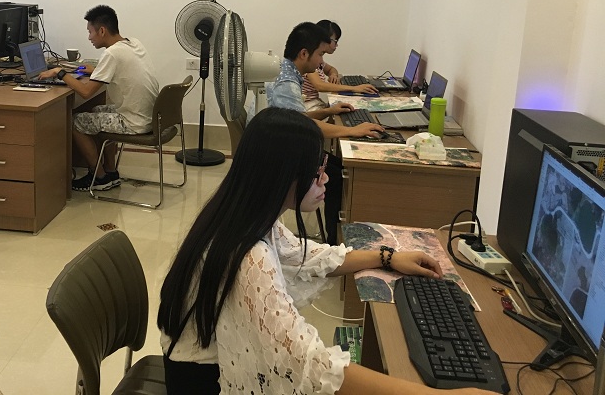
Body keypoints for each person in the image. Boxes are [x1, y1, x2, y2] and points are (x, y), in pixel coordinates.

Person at [158, 108, 489, 395]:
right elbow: (307, 363)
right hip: (201, 382)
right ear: (283, 176)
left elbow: (305, 255)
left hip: (193, 365)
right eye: (316, 172)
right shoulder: (249, 255)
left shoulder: (242, 212)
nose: (326, 179)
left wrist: (386, 257)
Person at [267, 21, 384, 244]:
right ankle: (333, 240)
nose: (322, 61)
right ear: (304, 54)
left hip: (285, 142)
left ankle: (336, 234)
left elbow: (297, 118)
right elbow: (300, 127)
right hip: (283, 153)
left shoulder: (289, 71)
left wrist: (329, 111)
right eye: (320, 54)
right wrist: (352, 130)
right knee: (338, 175)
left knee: (338, 167)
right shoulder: (287, 83)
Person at [37, 5, 159, 191]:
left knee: (75, 122)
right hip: (148, 115)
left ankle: (99, 177)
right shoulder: (133, 43)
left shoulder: (112, 53)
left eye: (90, 32)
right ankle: (110, 171)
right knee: (96, 110)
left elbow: (86, 92)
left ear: (102, 31)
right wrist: (97, 71)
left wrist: (60, 72)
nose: (89, 37)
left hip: (134, 121)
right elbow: (121, 70)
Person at [301, 19, 377, 111]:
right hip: (306, 105)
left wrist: (333, 75)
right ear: (326, 39)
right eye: (336, 41)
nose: (336, 45)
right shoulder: (310, 59)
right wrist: (354, 88)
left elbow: (331, 69)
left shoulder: (319, 58)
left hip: (314, 102)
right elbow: (319, 85)